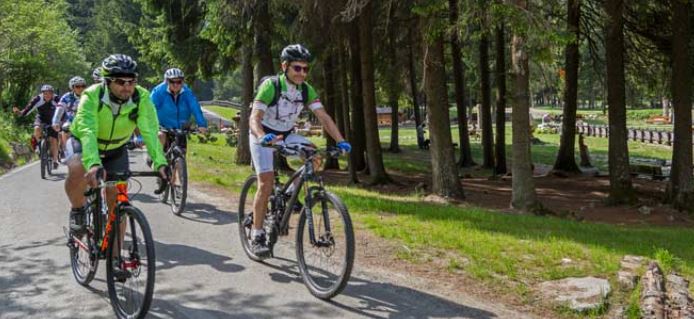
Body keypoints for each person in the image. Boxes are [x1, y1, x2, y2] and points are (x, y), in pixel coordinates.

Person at [65, 54, 167, 272]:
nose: (127, 86)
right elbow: (87, 130)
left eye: (131, 81)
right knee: (77, 169)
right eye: (120, 82)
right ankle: (77, 210)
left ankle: (114, 259)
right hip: (85, 143)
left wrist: (160, 162)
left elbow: (149, 130)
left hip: (116, 148)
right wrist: (93, 163)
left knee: (118, 201)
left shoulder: (141, 97)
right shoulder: (92, 95)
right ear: (107, 81)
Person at [248, 44, 351, 257]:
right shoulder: (271, 86)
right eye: (297, 68)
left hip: (285, 134)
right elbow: (254, 118)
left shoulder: (305, 90)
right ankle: (256, 234)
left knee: (314, 156)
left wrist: (340, 140)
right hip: (262, 134)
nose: (302, 73)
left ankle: (286, 196)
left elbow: (324, 117)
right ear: (284, 66)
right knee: (265, 182)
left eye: (306, 69)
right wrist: (261, 136)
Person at [149, 67, 208, 193]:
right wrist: (151, 124)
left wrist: (202, 124)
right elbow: (149, 108)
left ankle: (174, 177)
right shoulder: (158, 92)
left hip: (180, 126)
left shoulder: (187, 92)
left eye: (179, 82)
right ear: (167, 82)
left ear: (183, 82)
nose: (176, 85)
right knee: (160, 136)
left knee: (181, 153)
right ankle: (157, 159)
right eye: (172, 82)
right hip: (162, 124)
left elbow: (195, 108)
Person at [14, 84, 61, 168]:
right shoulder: (37, 99)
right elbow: (28, 109)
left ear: (52, 94)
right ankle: (39, 146)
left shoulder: (57, 99)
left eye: (49, 93)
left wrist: (61, 121)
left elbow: (63, 110)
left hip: (53, 120)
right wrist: (20, 113)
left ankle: (55, 160)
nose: (47, 95)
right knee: (37, 128)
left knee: (53, 139)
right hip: (41, 118)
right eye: (45, 93)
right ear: (42, 94)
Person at [53, 76, 87, 161]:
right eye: (77, 86)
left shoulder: (89, 95)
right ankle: (67, 152)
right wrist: (55, 121)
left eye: (83, 86)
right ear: (72, 88)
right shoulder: (66, 97)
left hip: (87, 120)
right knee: (65, 129)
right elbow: (59, 109)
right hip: (71, 121)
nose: (81, 88)